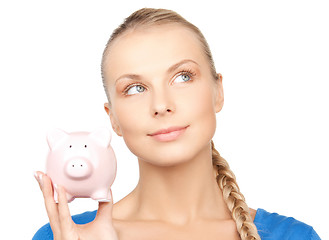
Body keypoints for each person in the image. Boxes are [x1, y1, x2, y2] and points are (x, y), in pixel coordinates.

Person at [33, 8, 321, 240]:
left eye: (183, 77)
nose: (161, 105)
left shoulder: (294, 236)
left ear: (218, 92)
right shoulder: (63, 235)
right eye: (135, 88)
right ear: (113, 119)